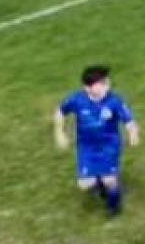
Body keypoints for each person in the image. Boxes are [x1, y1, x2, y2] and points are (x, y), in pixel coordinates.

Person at [53, 66, 139, 217]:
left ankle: (113, 207)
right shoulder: (77, 100)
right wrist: (60, 133)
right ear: (87, 88)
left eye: (106, 82)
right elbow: (60, 112)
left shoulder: (114, 101)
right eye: (101, 83)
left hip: (109, 146)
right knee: (85, 184)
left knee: (110, 180)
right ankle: (101, 184)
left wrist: (133, 134)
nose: (106, 85)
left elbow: (129, 121)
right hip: (86, 147)